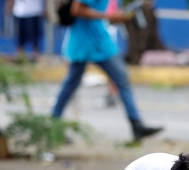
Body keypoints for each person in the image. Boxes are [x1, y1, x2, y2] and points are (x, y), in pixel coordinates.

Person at [51, 0, 162, 142]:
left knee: (121, 79)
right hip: (85, 41)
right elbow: (77, 9)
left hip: (98, 40)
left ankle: (136, 124)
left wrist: (115, 16)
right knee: (71, 84)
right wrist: (108, 16)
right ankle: (53, 126)